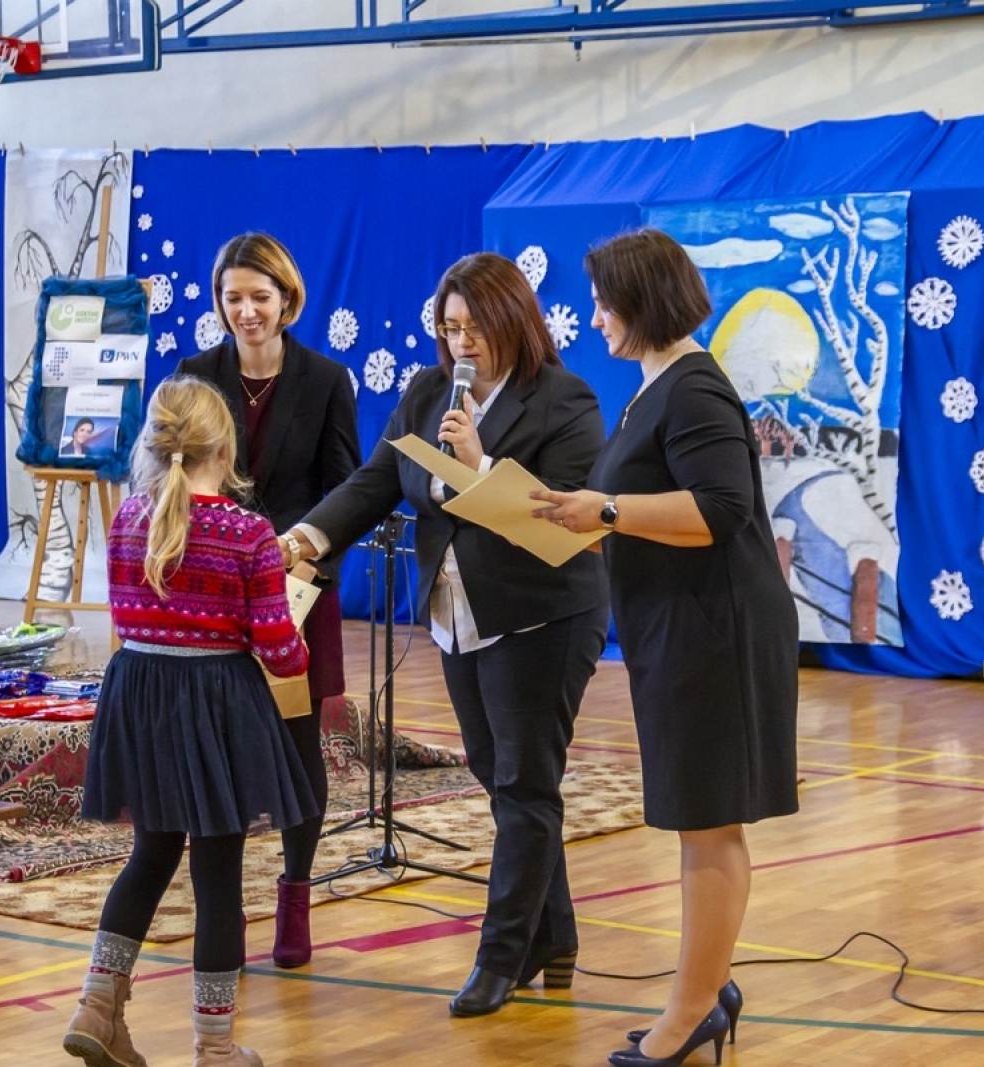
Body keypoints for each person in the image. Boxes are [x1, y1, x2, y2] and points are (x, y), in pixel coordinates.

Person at [281, 252, 610, 1017]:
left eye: (475, 326)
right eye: (449, 326)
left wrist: (481, 463)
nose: (462, 342)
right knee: (506, 781)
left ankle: (500, 958)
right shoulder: (428, 391)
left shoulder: (565, 399)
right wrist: (307, 536)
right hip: (460, 615)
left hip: (544, 613)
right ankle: (555, 939)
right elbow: (373, 482)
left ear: (513, 321)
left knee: (526, 784)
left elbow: (566, 515)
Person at [531, 228, 800, 1067]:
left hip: (714, 632)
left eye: (608, 302)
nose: (597, 316)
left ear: (644, 302)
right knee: (697, 818)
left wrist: (605, 511)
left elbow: (719, 510)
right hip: (677, 628)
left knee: (707, 823)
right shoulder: (656, 387)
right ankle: (703, 988)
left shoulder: (694, 388)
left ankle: (690, 1014)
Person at [63, 376, 316, 1067]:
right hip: (218, 706)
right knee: (217, 875)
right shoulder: (249, 533)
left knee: (149, 853)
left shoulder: (126, 521)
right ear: (225, 447)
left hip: (141, 695)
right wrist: (298, 635)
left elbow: (126, 619)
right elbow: (280, 653)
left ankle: (97, 1003)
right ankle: (214, 1047)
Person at [175, 232, 360, 969]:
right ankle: (221, 913)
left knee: (296, 746)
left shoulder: (324, 379)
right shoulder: (195, 375)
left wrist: (302, 562)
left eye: (260, 296)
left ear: (287, 300)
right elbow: (172, 482)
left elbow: (348, 492)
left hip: (297, 592)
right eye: (232, 297)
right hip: (211, 593)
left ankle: (294, 894)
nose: (246, 310)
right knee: (212, 744)